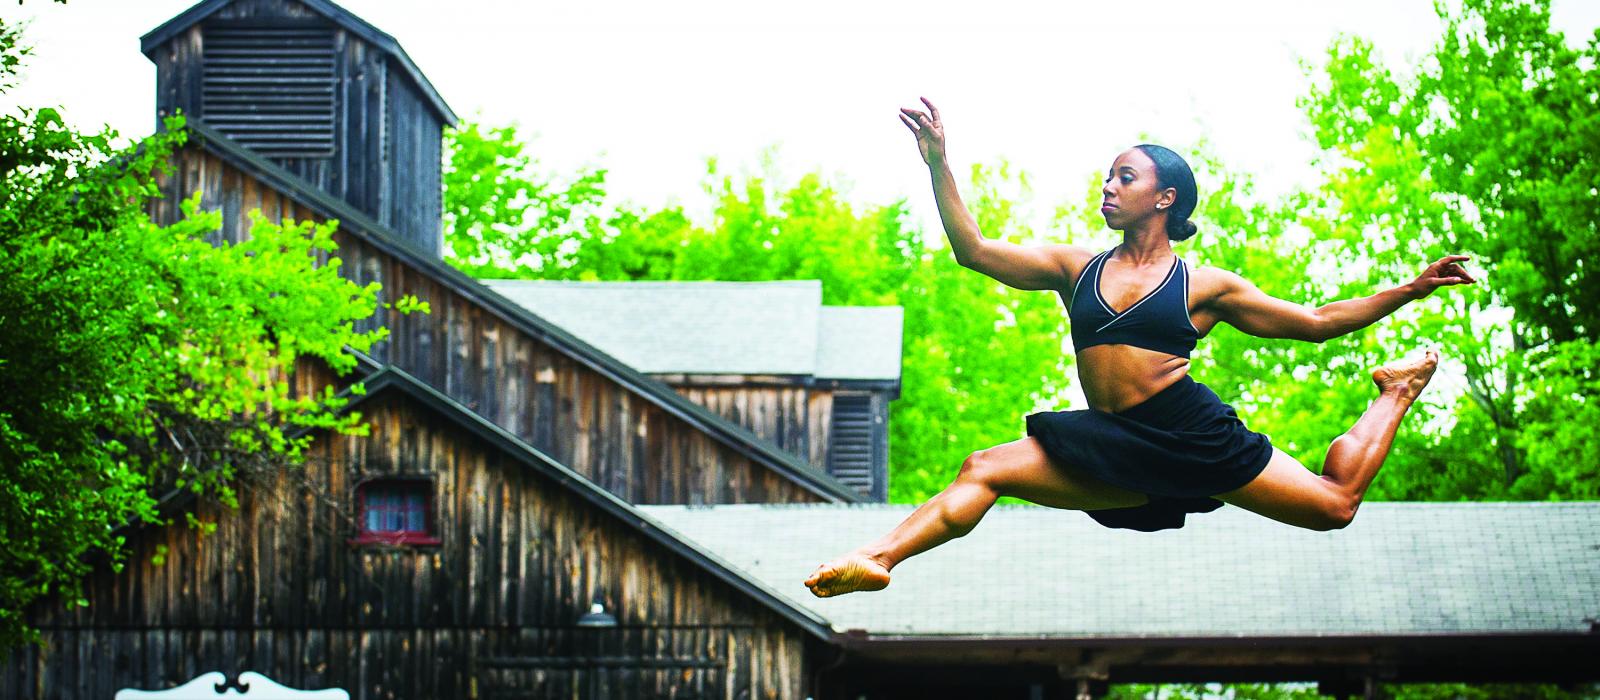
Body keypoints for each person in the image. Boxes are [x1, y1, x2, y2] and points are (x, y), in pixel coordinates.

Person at [803, 98, 1477, 598]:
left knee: (1334, 505)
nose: (1108, 186)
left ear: (1165, 197)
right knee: (984, 467)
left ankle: (1396, 390)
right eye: (1107, 177)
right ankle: (881, 556)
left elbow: (1319, 320)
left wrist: (1411, 289)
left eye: (1125, 177)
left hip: (1189, 433)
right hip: (1116, 441)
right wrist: (939, 164)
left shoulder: (1202, 285)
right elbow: (973, 251)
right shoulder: (1076, 269)